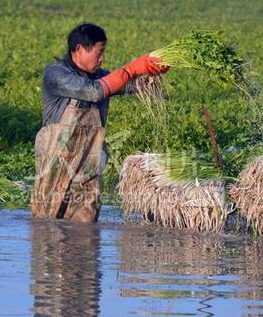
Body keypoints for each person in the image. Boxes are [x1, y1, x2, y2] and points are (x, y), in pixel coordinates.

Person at [31, 23, 168, 223]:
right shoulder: (56, 74)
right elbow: (94, 91)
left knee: (86, 227)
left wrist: (149, 72)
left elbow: (127, 84)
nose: (102, 59)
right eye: (99, 52)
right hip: (55, 165)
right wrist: (131, 68)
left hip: (89, 164)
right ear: (79, 49)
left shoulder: (101, 76)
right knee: (46, 223)